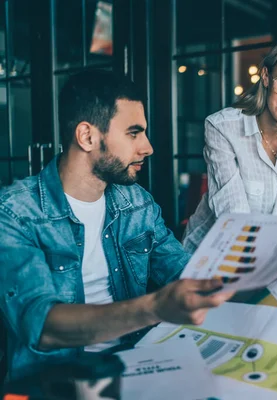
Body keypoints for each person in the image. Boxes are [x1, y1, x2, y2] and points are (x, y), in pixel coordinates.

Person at [0, 70, 233, 380]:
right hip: (54, 381)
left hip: (134, 364)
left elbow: (183, 271)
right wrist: (154, 307)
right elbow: (42, 326)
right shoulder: (15, 211)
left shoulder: (136, 202)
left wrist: (247, 274)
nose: (147, 147)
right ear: (87, 136)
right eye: (134, 133)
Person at [183, 34, 277, 252]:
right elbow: (234, 215)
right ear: (265, 77)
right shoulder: (222, 128)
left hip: (264, 256)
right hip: (209, 254)